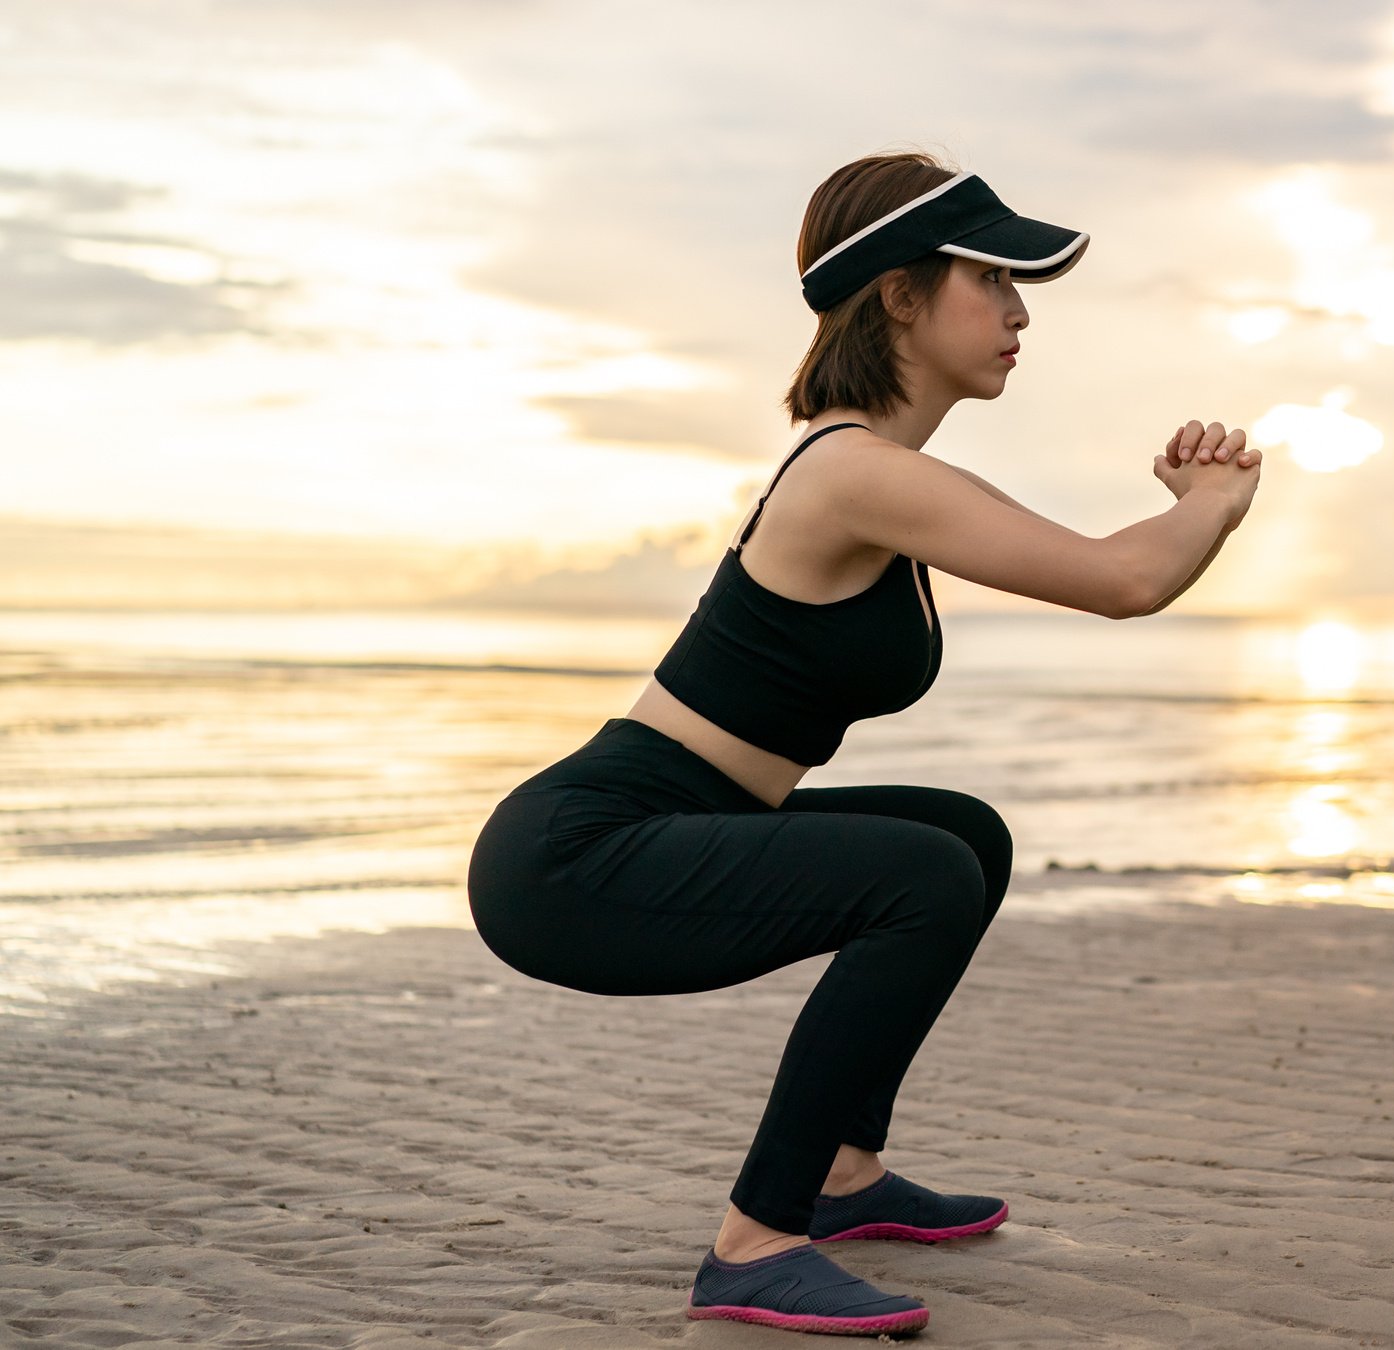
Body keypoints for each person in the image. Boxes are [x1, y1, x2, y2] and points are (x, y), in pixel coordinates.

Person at [464, 150, 1263, 1338]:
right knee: (920, 873)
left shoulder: (879, 474)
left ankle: (842, 1177)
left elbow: (1114, 569)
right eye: (990, 277)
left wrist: (1189, 512)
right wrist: (1210, 500)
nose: (1018, 309)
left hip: (682, 818)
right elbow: (1123, 579)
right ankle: (754, 1243)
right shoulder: (853, 473)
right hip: (578, 856)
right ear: (898, 295)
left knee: (961, 835)